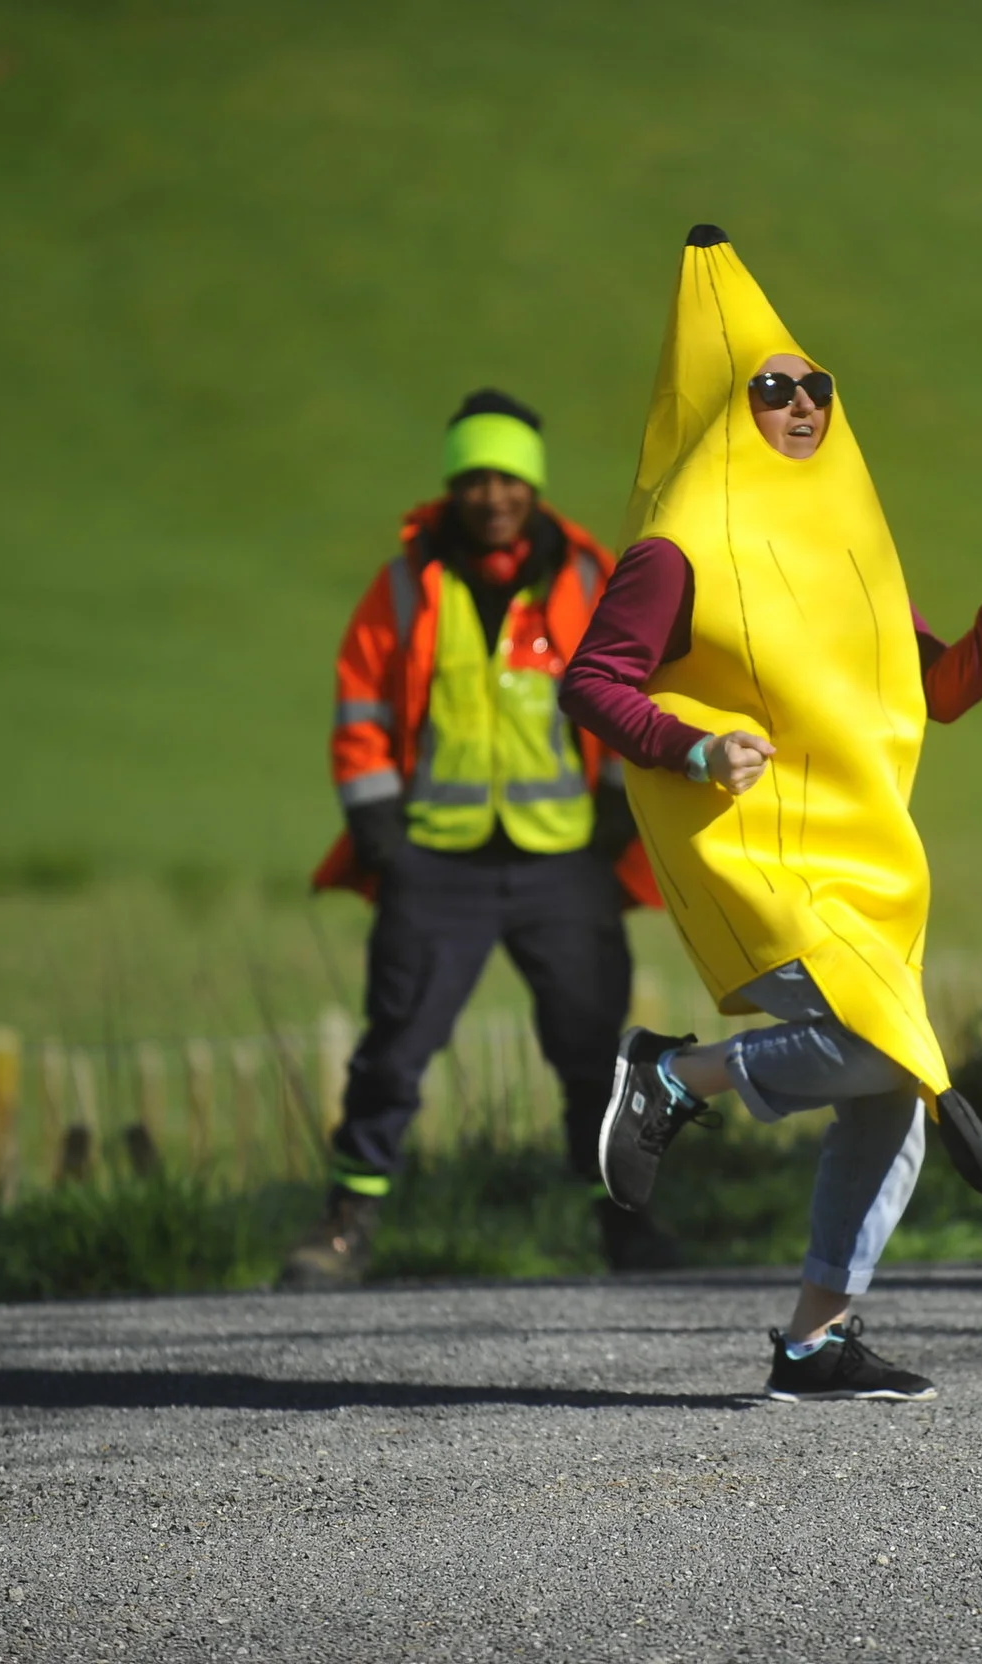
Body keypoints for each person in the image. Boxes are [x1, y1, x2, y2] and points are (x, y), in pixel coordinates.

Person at [560, 225, 982, 1401]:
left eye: (815, 387)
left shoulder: (845, 549)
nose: (799, 405)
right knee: (883, 1044)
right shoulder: (675, 549)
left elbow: (929, 689)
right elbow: (592, 679)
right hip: (749, 846)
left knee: (892, 1085)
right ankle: (677, 1077)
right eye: (772, 388)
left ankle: (813, 1341)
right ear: (728, 410)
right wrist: (689, 744)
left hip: (862, 856)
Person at [284, 389, 671, 1288]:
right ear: (453, 486)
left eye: (508, 477)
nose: (492, 494)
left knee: (592, 1055)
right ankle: (347, 1226)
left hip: (562, 861)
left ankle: (623, 1228)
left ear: (532, 487)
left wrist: (615, 817)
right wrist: (379, 830)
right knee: (394, 1050)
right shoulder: (403, 585)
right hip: (436, 864)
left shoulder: (587, 578)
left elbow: (636, 690)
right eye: (474, 477)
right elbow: (359, 708)